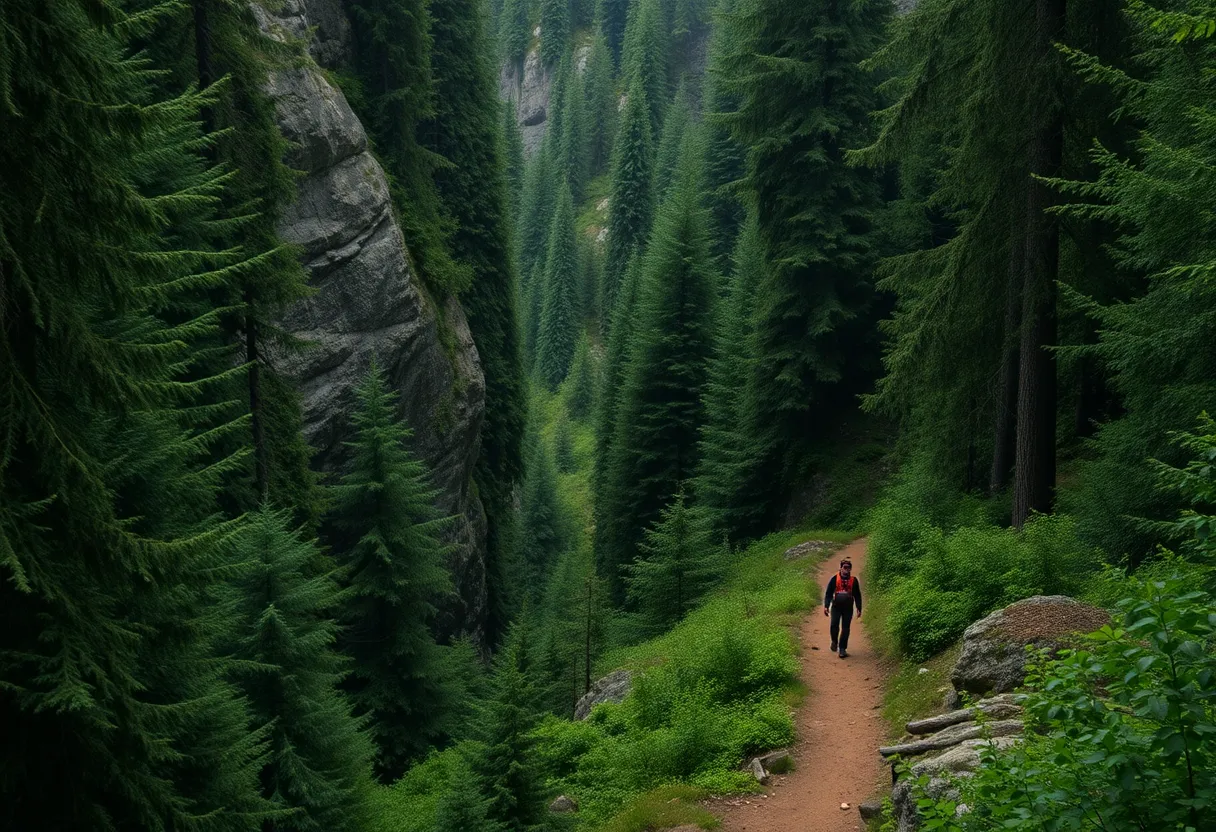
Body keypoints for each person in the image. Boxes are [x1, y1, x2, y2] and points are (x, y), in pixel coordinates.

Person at [823, 557, 862, 658]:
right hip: (836, 607)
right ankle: (834, 641)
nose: (847, 569)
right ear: (840, 568)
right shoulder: (834, 579)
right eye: (845, 567)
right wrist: (826, 606)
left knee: (846, 628)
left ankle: (842, 648)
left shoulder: (854, 580)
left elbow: (857, 595)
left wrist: (859, 608)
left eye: (849, 568)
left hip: (848, 608)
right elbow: (828, 594)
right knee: (834, 626)